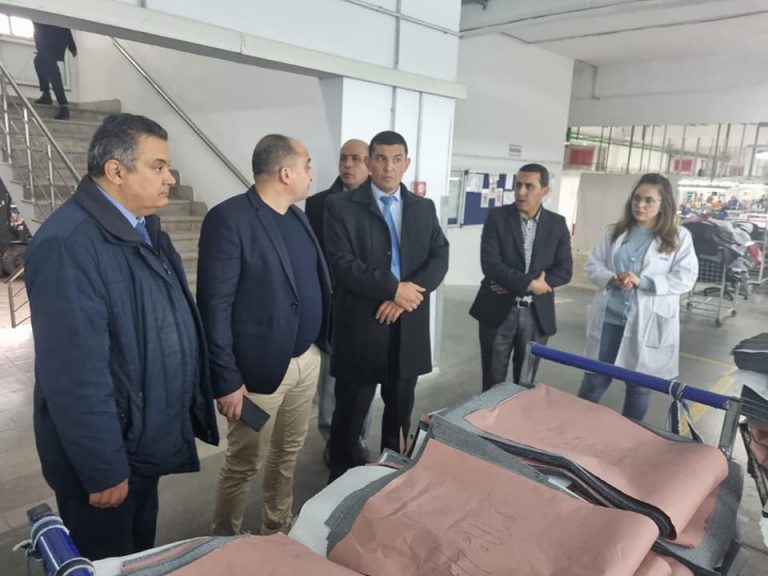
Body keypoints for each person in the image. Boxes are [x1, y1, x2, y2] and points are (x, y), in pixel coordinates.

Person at [24, 113, 219, 561]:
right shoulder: (68, 244)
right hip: (108, 456)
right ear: (116, 170)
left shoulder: (143, 228)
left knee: (137, 554)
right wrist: (102, 467)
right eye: (158, 166)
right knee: (105, 560)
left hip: (140, 439)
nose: (170, 178)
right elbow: (74, 373)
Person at [197, 134, 331, 536]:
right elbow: (215, 306)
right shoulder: (229, 219)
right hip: (257, 373)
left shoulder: (297, 217)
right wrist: (226, 379)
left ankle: (277, 529)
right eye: (307, 166)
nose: (311, 174)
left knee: (287, 453)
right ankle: (225, 542)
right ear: (285, 173)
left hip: (306, 359)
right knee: (244, 463)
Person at [324, 130, 449, 481]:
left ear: (406, 163)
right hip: (361, 327)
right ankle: (341, 484)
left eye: (396, 160)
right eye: (380, 159)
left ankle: (389, 482)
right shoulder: (340, 207)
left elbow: (440, 255)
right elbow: (342, 263)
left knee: (400, 415)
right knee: (349, 418)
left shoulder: (423, 208)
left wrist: (406, 297)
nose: (388, 168)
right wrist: (393, 289)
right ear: (369, 162)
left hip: (407, 328)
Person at [577, 173, 698, 420]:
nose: (640, 205)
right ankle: (575, 429)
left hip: (648, 322)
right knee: (593, 382)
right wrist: (613, 277)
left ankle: (630, 435)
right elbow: (592, 265)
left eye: (649, 200)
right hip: (610, 320)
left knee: (639, 387)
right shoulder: (616, 232)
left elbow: (686, 277)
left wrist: (643, 282)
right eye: (636, 198)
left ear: (663, 204)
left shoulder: (679, 237)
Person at [469, 164, 572, 390]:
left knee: (525, 382)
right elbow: (490, 264)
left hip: (537, 314)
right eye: (518, 185)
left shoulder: (557, 224)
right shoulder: (497, 217)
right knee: (493, 381)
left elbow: (564, 270)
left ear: (545, 191)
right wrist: (529, 283)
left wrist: (520, 285)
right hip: (498, 311)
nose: (521, 192)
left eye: (529, 186)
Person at [305, 138, 372, 461]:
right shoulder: (318, 204)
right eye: (344, 158)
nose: (347, 164)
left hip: (371, 306)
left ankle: (358, 438)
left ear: (368, 163)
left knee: (365, 379)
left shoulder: (380, 202)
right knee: (331, 378)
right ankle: (332, 441)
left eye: (356, 158)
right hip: (333, 306)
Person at [32, 22, 77, 120]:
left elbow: (64, 24)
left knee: (52, 71)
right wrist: (72, 46)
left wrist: (72, 46)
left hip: (52, 41)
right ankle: (47, 95)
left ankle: (63, 106)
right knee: (39, 62)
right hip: (47, 41)